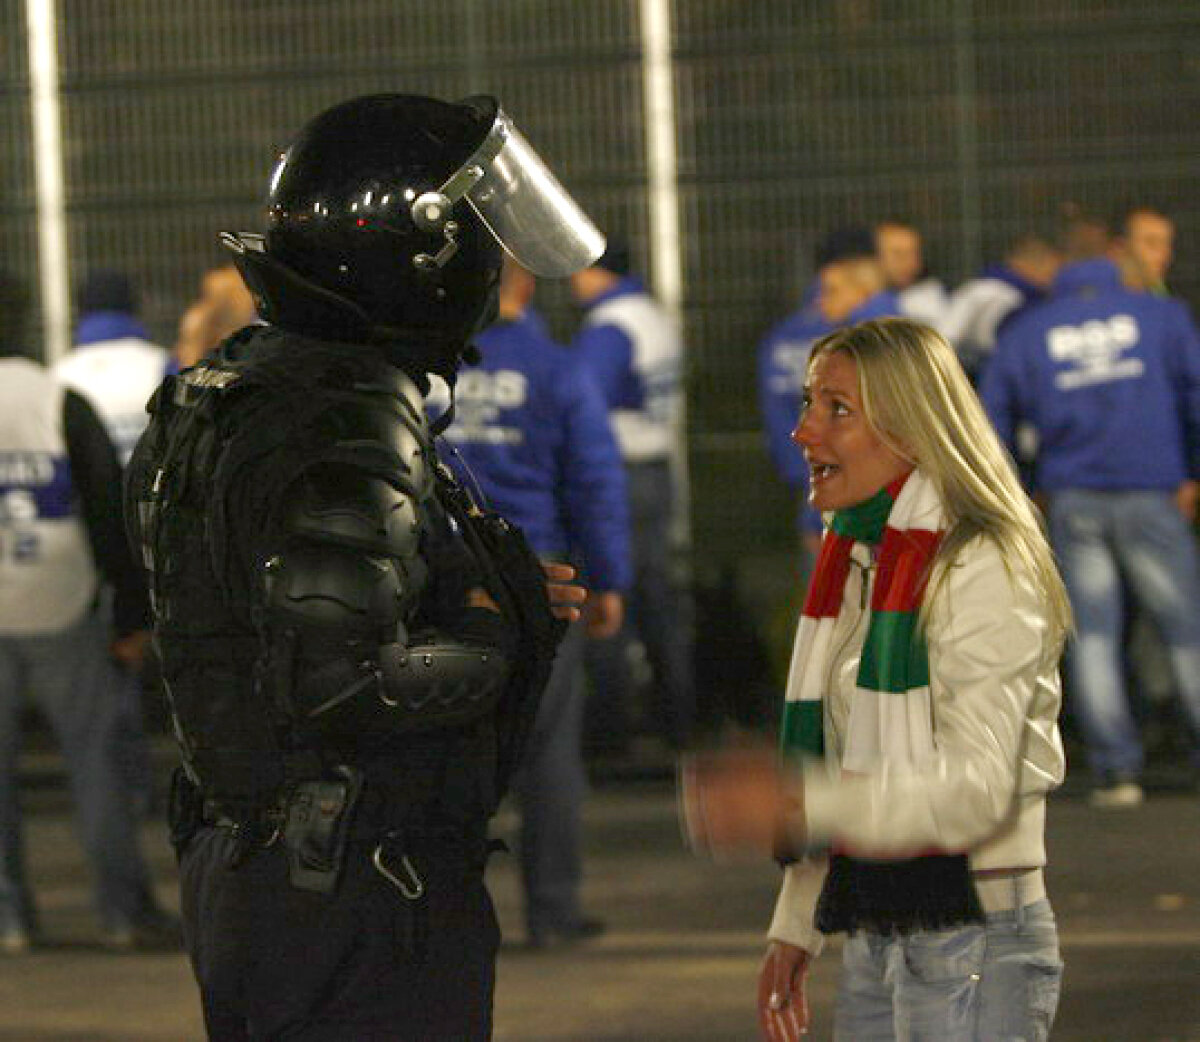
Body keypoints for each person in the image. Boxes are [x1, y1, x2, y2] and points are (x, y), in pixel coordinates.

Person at [124, 92, 601, 1040]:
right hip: (351, 887)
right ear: (423, 252)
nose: (495, 259)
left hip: (259, 873)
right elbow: (339, 683)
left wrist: (474, 578)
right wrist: (497, 632)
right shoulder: (347, 412)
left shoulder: (240, 379)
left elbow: (257, 615)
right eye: (479, 234)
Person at [683, 317, 1069, 1041]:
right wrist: (798, 924)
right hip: (880, 928)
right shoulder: (861, 550)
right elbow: (846, 751)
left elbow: (974, 790)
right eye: (807, 403)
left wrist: (797, 802)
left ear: (913, 430)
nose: (804, 433)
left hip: (976, 938)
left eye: (837, 410)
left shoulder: (978, 558)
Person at [436, 260, 630, 947]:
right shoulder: (557, 369)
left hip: (442, 580)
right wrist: (606, 579)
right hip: (538, 580)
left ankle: (441, 918)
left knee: (444, 752)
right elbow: (593, 478)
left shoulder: (426, 367)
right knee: (547, 754)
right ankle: (551, 912)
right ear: (524, 282)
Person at [981, 248, 1200, 808]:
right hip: (1153, 487)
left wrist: (1024, 487)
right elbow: (1194, 394)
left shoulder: (1029, 331)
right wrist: (1191, 471)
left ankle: (1116, 770)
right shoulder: (1161, 317)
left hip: (1074, 495)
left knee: (1095, 636)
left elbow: (991, 418)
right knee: (1185, 628)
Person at [0, 271, 175, 953]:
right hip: (61, 603)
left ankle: (10, 917)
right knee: (96, 765)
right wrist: (131, 614)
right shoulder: (59, 402)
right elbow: (109, 513)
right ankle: (120, 912)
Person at [571, 241, 694, 753]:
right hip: (657, 467)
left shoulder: (610, 326)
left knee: (607, 592)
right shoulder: (653, 317)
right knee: (657, 597)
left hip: (619, 473)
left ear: (601, 274)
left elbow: (584, 401)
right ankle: (678, 716)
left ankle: (611, 727)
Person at [940, 232, 1063, 384]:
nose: (1055, 276)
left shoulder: (1036, 299)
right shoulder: (982, 291)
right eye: (1053, 268)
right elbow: (944, 338)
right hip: (973, 376)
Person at [874, 219, 949, 330]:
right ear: (874, 256)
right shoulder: (854, 303)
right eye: (898, 254)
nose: (910, 263)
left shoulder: (930, 299)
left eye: (914, 253)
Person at [1112, 203, 1175, 296]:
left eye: (1167, 244)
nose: (1164, 253)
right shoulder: (1092, 297)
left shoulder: (1164, 300)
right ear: (1120, 247)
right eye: (1151, 243)